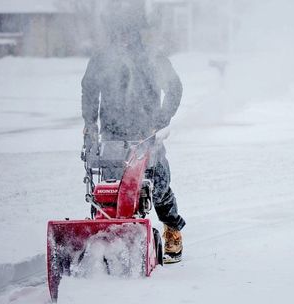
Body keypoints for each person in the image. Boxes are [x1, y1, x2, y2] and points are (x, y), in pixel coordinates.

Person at [81, 0, 185, 263]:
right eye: (120, 32)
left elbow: (174, 88)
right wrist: (90, 124)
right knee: (111, 191)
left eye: (129, 32)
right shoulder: (102, 59)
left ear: (136, 32)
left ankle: (172, 229)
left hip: (147, 135)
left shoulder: (152, 57)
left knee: (158, 185)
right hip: (113, 137)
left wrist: (161, 120)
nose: (124, 37)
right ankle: (108, 240)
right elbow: (90, 91)